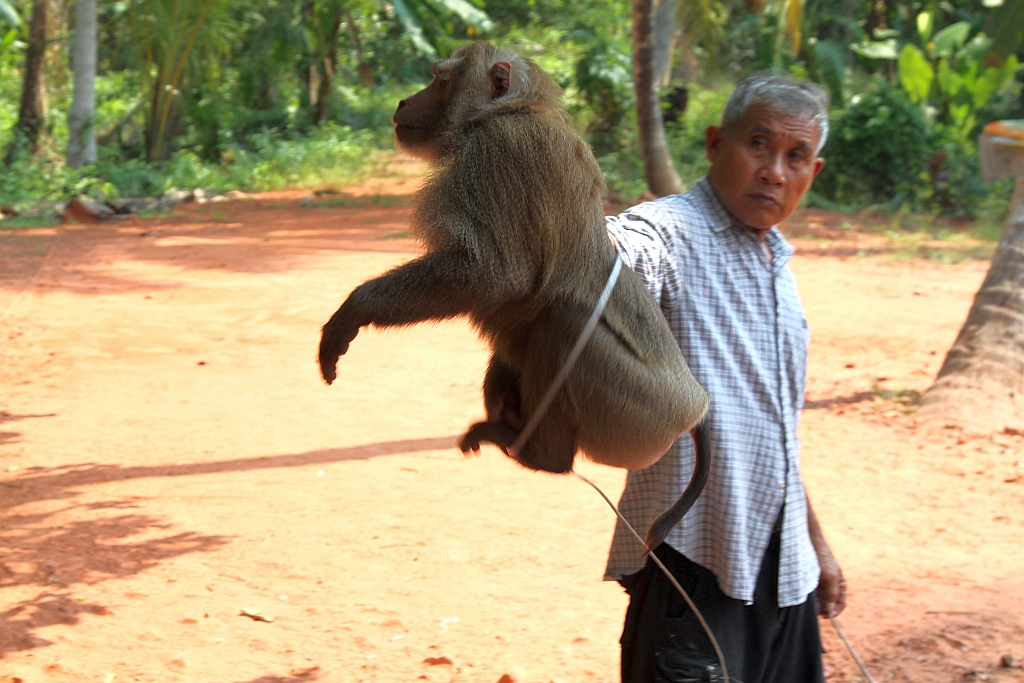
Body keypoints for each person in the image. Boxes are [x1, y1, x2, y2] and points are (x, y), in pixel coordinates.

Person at [605, 74, 846, 683]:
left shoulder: (778, 265)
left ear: (812, 173)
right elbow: (612, 257)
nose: (773, 171)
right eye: (758, 144)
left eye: (795, 157)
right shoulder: (668, 232)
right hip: (695, 564)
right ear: (715, 143)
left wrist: (814, 548)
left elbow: (777, 435)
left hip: (784, 571)